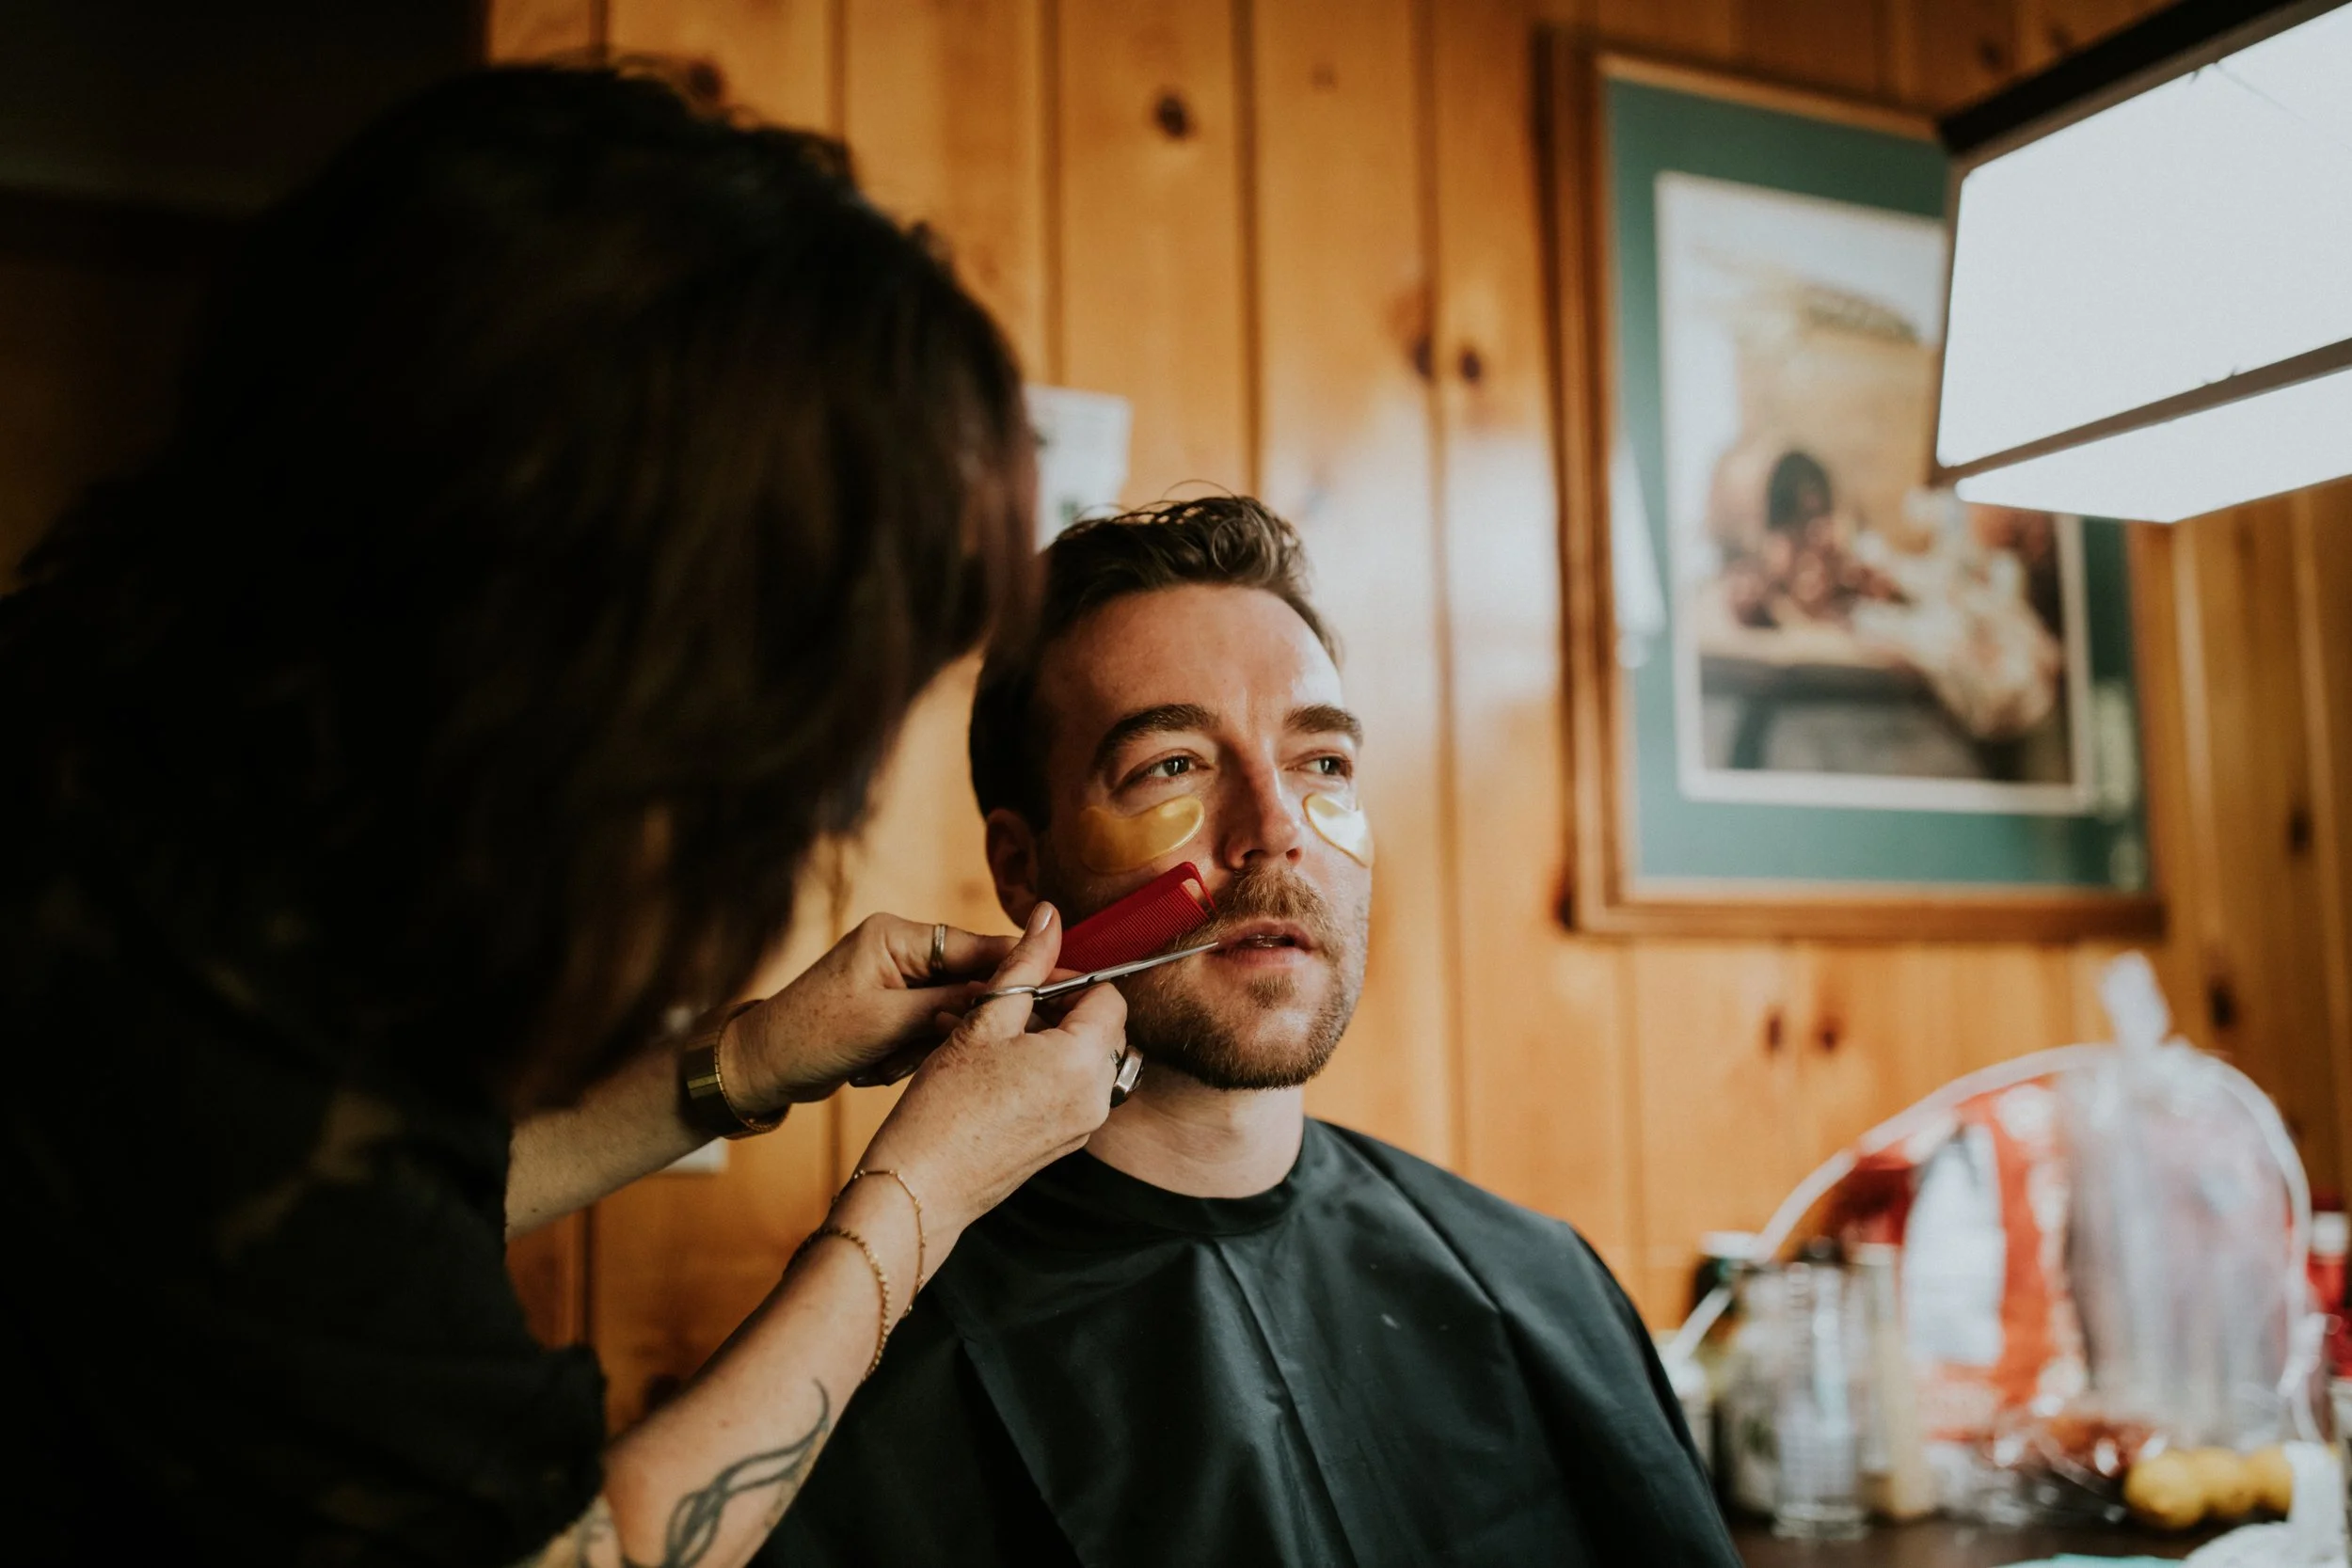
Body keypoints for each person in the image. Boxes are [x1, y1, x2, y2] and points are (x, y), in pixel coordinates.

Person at [0, 65, 1130, 1568]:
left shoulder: (129, 761)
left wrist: (743, 1064)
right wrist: (920, 1195)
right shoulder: (170, 996)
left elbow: (353, 1219)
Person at [765, 496, 1742, 1567]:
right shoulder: (866, 1368)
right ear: (1019, 864)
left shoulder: (1540, 1279)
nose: (1275, 832)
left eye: (1322, 763)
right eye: (1172, 765)